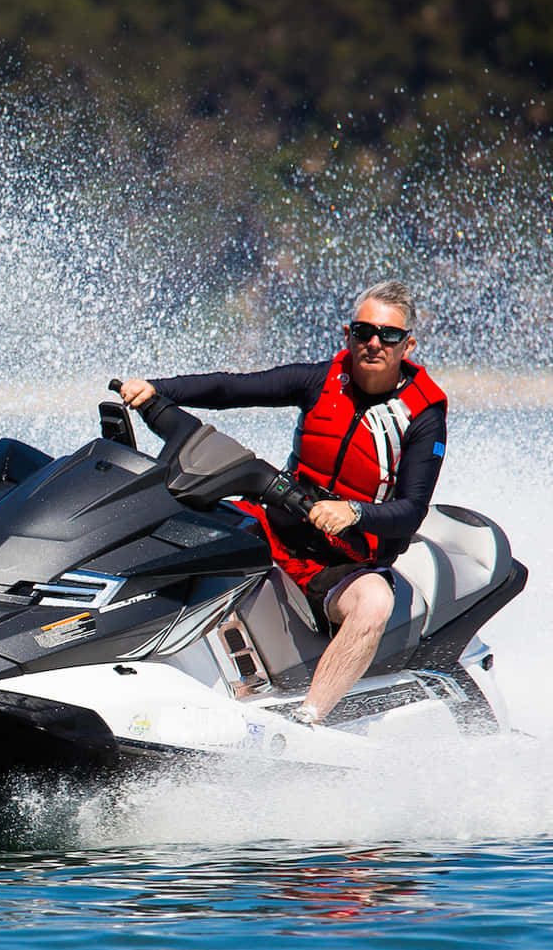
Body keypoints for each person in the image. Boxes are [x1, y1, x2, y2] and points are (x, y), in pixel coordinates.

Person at [116, 280, 447, 725]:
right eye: (362, 331)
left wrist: (353, 512)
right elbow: (231, 390)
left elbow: (411, 512)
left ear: (408, 343)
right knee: (181, 522)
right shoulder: (319, 380)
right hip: (277, 528)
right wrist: (155, 389)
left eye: (387, 335)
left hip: (344, 563)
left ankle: (310, 718)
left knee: (374, 603)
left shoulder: (423, 415)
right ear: (346, 334)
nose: (373, 343)